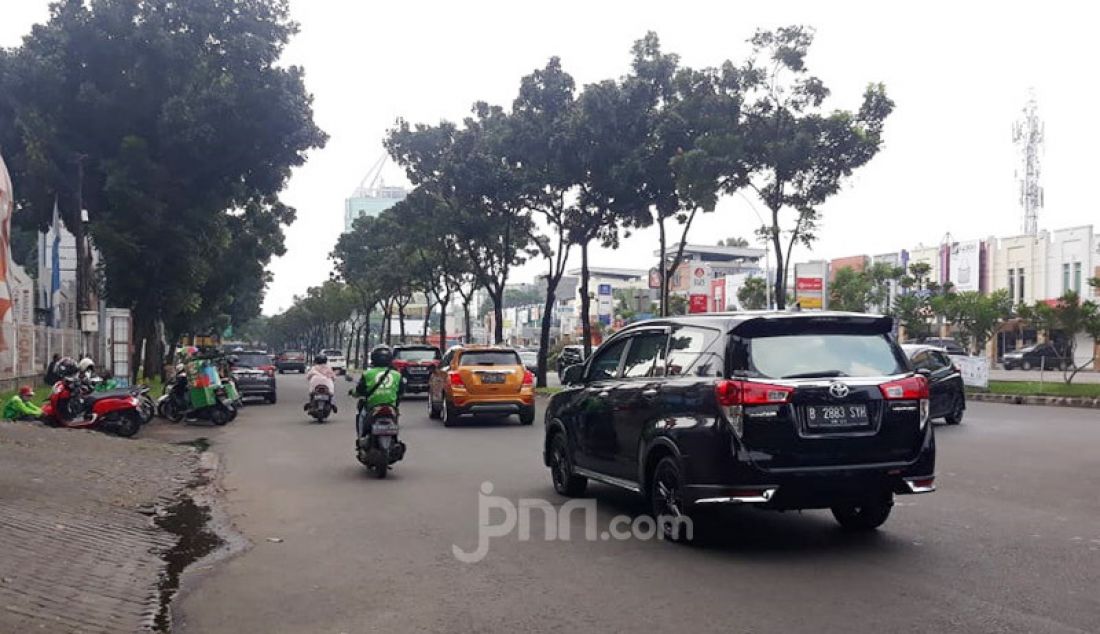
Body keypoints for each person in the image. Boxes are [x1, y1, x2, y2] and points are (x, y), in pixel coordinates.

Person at [353, 345, 404, 439]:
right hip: (391, 407)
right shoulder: (397, 375)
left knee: (361, 416)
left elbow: (359, 390)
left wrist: (353, 393)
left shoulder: (367, 374)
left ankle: (360, 438)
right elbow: (401, 392)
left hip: (372, 407)